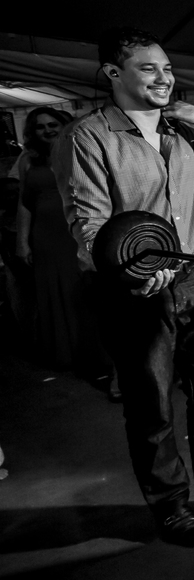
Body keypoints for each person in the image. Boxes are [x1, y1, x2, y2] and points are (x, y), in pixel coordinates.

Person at [52, 27, 194, 547]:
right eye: (150, 68)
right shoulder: (88, 136)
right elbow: (91, 226)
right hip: (133, 287)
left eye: (168, 69)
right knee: (152, 405)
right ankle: (170, 505)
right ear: (114, 74)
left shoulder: (183, 132)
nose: (164, 78)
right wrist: (132, 276)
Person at [14, 107, 110, 381]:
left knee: (84, 292)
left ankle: (96, 355)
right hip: (45, 235)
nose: (48, 130)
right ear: (32, 133)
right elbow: (24, 203)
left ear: (64, 124)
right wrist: (22, 241)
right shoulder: (27, 160)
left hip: (76, 229)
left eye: (52, 124)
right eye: (40, 127)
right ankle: (65, 353)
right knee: (54, 291)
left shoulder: (80, 149)